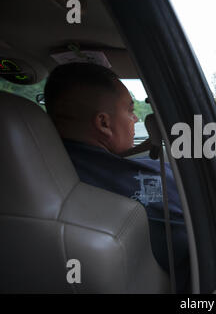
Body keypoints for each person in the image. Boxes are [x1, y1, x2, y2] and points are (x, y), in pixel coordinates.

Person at [44, 62, 190, 293]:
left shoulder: (37, 169)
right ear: (103, 123)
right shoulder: (154, 180)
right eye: (130, 111)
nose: (134, 119)